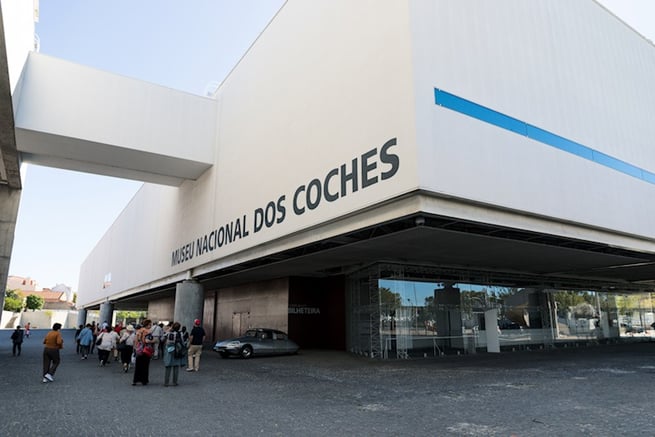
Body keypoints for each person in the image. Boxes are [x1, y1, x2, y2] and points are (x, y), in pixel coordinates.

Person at [132, 319, 155, 386]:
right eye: (150, 324)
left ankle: (135, 380)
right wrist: (154, 341)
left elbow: (135, 340)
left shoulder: (138, 331)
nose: (151, 326)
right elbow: (147, 341)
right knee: (145, 365)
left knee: (138, 365)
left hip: (139, 349)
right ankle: (144, 380)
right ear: (148, 325)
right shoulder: (148, 332)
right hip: (146, 350)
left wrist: (135, 348)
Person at [163, 322, 185, 386]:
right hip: (177, 350)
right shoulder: (180, 333)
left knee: (168, 366)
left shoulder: (169, 333)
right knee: (176, 366)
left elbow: (163, 338)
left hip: (169, 351)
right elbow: (183, 342)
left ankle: (166, 382)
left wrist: (168, 330)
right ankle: (175, 382)